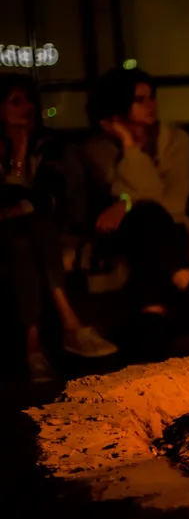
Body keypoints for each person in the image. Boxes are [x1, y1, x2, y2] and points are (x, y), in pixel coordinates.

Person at [0, 74, 116, 381]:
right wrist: (18, 159)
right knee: (29, 225)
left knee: (26, 237)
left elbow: (50, 197)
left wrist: (23, 152)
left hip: (35, 232)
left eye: (28, 101)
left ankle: (32, 348)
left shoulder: (48, 145)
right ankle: (70, 324)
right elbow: (11, 196)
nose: (26, 107)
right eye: (15, 101)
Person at [81, 67, 189, 345]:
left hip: (169, 225)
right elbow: (147, 195)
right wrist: (128, 146)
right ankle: (186, 281)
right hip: (118, 231)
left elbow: (175, 199)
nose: (151, 105)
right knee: (147, 217)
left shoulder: (176, 140)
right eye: (140, 99)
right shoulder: (98, 147)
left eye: (152, 97)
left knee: (153, 221)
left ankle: (153, 319)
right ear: (117, 103)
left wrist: (126, 201)